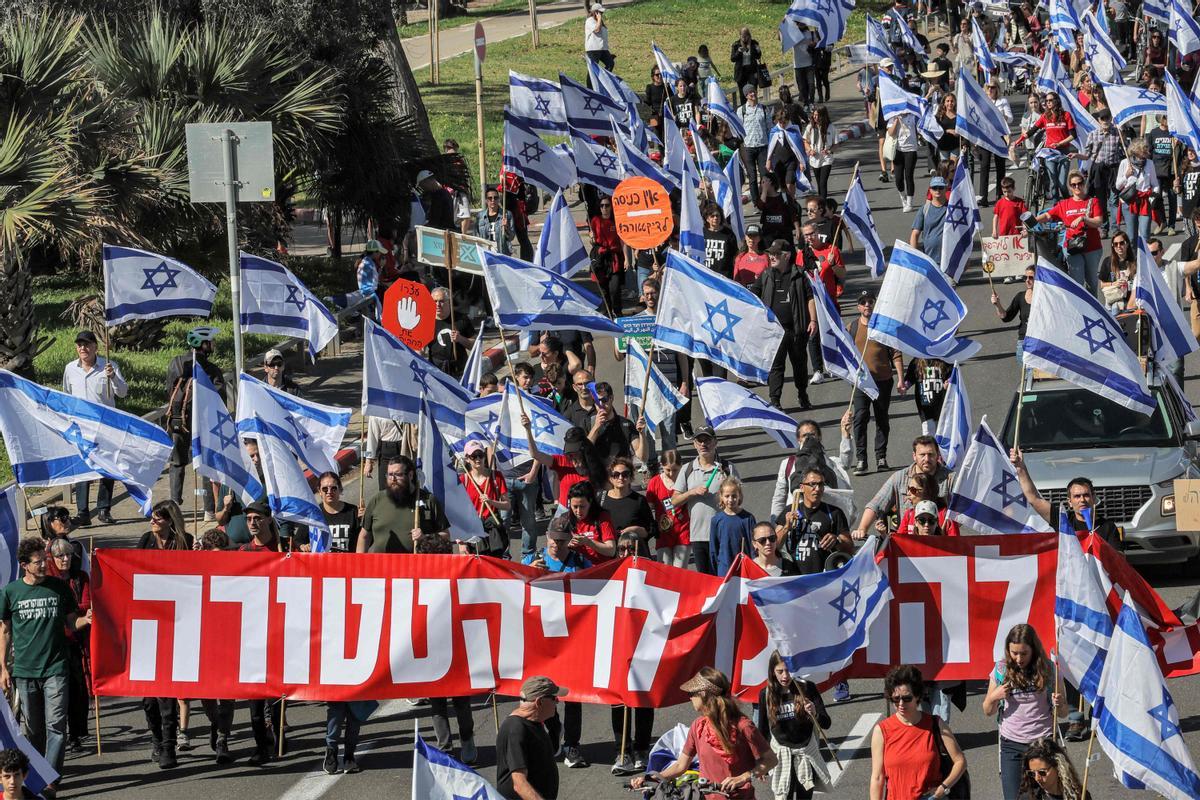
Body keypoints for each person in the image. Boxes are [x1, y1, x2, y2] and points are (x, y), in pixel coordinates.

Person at [0, 538, 90, 790]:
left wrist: (87, 619)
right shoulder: (10, 592)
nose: (43, 565)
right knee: (34, 731)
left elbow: (72, 624)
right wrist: (3, 668)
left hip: (56, 669)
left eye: (44, 560)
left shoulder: (60, 588)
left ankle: (49, 781)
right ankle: (34, 774)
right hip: (25, 672)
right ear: (24, 565)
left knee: (57, 727)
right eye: (38, 562)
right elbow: (5, 631)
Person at [631, 667, 777, 798]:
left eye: (692, 693)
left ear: (704, 694)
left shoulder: (743, 726)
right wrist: (651, 778)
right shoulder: (698, 726)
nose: (690, 697)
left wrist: (744, 777)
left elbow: (771, 759)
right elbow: (681, 766)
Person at [982, 625, 1065, 800]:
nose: (1018, 658)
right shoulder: (1001, 670)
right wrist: (994, 697)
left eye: (1024, 653)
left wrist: (1061, 703)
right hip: (1011, 745)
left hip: (1042, 743)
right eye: (1014, 653)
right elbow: (988, 710)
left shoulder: (1048, 669)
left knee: (1049, 796)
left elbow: (1063, 712)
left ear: (1033, 649)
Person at [869, 664, 967, 800]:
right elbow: (877, 777)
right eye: (896, 699)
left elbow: (960, 761)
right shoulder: (882, 731)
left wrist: (943, 788)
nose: (901, 704)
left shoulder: (935, 724)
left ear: (917, 696)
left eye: (907, 698)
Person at [63, 330, 127, 526]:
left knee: (106, 469)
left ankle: (103, 509)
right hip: (81, 428)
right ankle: (83, 512)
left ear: (95, 347)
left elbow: (123, 393)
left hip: (105, 428)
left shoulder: (109, 366)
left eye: (87, 344)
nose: (83, 348)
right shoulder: (70, 369)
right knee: (83, 470)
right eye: (80, 345)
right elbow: (66, 395)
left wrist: (113, 377)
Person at [756, 651, 832, 799]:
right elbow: (763, 730)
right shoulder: (766, 694)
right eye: (780, 671)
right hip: (781, 756)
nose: (785, 676)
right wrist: (762, 761)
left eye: (789, 671)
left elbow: (826, 723)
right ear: (772, 672)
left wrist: (815, 713)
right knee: (784, 796)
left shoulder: (807, 688)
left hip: (806, 754)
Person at [165, 326, 223, 519]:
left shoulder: (176, 363)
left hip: (177, 421)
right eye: (210, 342)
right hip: (203, 424)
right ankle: (208, 509)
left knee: (177, 462)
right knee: (204, 463)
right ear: (202, 344)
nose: (213, 345)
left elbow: (169, 388)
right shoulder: (212, 369)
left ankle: (175, 504)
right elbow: (219, 398)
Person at [848, 292, 907, 475]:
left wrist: (901, 379)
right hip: (861, 383)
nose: (867, 305)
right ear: (858, 307)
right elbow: (845, 353)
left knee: (882, 418)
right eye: (863, 302)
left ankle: (881, 457)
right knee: (860, 418)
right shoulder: (852, 327)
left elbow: (896, 353)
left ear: (874, 305)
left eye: (870, 302)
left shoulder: (883, 327)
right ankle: (861, 460)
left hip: (882, 380)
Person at [753, 240, 816, 411]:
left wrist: (813, 320)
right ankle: (775, 401)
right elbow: (752, 296)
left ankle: (802, 395)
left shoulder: (799, 274)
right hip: (774, 331)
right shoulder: (766, 275)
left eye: (776, 254)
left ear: (786, 256)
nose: (771, 256)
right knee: (776, 366)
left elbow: (810, 297)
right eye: (770, 253)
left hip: (796, 329)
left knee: (800, 364)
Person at [853, 436, 951, 539]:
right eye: (922, 455)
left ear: (938, 455)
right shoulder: (899, 478)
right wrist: (862, 529)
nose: (926, 459)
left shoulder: (950, 479)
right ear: (914, 456)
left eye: (930, 455)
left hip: (942, 544)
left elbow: (963, 514)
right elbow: (876, 505)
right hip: (906, 543)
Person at [673, 427, 739, 575]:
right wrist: (692, 492)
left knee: (725, 578)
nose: (703, 444)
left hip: (724, 534)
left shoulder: (727, 468)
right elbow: (674, 500)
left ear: (715, 442)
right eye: (699, 441)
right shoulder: (687, 469)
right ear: (694, 444)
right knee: (706, 580)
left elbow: (739, 500)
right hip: (698, 535)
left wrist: (726, 495)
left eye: (707, 440)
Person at [45, 538, 89, 755]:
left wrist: (67, 607)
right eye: (60, 556)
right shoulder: (48, 581)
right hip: (54, 643)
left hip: (76, 640)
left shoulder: (80, 577)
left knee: (78, 689)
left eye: (69, 555)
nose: (65, 559)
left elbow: (86, 604)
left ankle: (76, 734)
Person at [356, 456, 451, 553]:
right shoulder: (377, 500)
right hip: (382, 565)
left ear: (410, 475)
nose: (393, 479)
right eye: (389, 475)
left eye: (398, 475)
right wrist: (359, 563)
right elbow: (364, 536)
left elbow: (446, 535)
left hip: (416, 565)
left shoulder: (428, 500)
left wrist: (425, 538)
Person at [775, 467, 853, 576]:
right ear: (802, 487)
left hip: (824, 575)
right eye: (812, 484)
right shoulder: (790, 510)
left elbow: (850, 549)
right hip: (795, 575)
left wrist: (837, 541)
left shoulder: (834, 513)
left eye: (821, 484)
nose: (817, 489)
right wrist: (786, 527)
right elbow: (774, 546)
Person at [496, 676, 564, 800]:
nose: (557, 701)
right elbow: (519, 784)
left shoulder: (534, 721)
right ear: (539, 702)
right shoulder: (515, 730)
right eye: (554, 698)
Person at [1037, 171, 1103, 296]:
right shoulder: (1064, 204)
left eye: (1080, 183)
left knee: (1092, 283)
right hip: (1072, 247)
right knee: (1077, 282)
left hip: (1092, 247)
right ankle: (1079, 312)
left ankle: (1093, 312)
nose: (1077, 187)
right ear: (1070, 187)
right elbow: (1047, 215)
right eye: (1074, 185)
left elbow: (1099, 221)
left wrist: (1084, 218)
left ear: (1084, 184)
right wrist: (1031, 221)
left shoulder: (1092, 201)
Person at [1010, 94, 1076, 200]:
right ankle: (1056, 208)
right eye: (1046, 100)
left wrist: (1060, 143)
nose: (1048, 102)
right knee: (1054, 183)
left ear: (1057, 101)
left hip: (1063, 153)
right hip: (1049, 153)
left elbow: (1073, 135)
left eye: (1050, 100)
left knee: (1062, 184)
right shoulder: (1045, 116)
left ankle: (1068, 203)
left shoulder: (1066, 115)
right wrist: (1018, 141)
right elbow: (1031, 131)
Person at [460, 440, 511, 555]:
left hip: (493, 531)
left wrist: (491, 501)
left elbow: (507, 505)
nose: (478, 459)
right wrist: (461, 542)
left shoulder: (496, 477)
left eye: (481, 455)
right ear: (467, 459)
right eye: (473, 456)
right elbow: (458, 513)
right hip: (472, 531)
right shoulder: (464, 480)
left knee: (495, 568)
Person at [1080, 108, 1124, 236]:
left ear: (1111, 119)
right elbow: (1087, 155)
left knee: (1113, 200)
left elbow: (1125, 151)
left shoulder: (1117, 133)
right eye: (1102, 119)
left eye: (1107, 118)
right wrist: (1077, 155)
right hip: (1099, 170)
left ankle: (1115, 228)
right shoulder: (1093, 134)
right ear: (1099, 120)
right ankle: (1104, 227)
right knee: (1101, 201)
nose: (1105, 121)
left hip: (1113, 169)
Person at [646, 450, 690, 567]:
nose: (671, 473)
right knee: (665, 568)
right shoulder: (654, 482)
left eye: (675, 470)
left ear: (681, 466)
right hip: (663, 531)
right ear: (662, 466)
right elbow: (648, 507)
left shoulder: (687, 480)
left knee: (679, 569)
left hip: (683, 529)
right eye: (667, 470)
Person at [1114, 136, 1159, 250]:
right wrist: (1126, 176)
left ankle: (1145, 262)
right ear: (1135, 151)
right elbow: (1118, 186)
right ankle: (1133, 262)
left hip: (1145, 201)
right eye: (1143, 150)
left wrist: (1152, 197)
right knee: (1131, 237)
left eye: (1146, 150)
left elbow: (1155, 184)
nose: (1146, 152)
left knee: (1145, 235)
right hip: (1129, 202)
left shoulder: (1149, 163)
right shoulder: (1125, 163)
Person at [600, 456, 654, 545]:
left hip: (633, 552)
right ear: (610, 478)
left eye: (625, 474)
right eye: (616, 474)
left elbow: (651, 530)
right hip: (608, 553)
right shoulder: (601, 499)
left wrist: (636, 530)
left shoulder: (639, 500)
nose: (620, 477)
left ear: (631, 477)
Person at [562, 481, 618, 566]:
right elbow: (554, 548)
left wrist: (588, 542)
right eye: (575, 506)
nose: (578, 511)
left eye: (582, 506)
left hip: (601, 569)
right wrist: (566, 546)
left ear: (590, 502)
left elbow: (611, 550)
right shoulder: (565, 518)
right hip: (577, 570)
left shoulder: (602, 517)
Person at [426, 287, 477, 378]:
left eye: (441, 301)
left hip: (459, 370)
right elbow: (418, 349)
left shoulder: (461, 319)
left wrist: (461, 339)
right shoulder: (426, 321)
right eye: (434, 301)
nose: (438, 305)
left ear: (449, 301)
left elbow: (475, 346)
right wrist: (420, 351)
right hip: (436, 371)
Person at [709, 478, 755, 576]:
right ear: (721, 496)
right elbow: (714, 549)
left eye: (734, 496)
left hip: (743, 568)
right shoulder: (716, 520)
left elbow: (753, 546)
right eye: (727, 496)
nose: (730, 499)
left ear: (739, 496)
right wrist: (716, 570)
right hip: (724, 570)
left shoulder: (748, 518)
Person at [1019, 738, 1091, 800]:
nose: (1037, 778)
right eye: (1032, 773)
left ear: (1057, 767)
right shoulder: (1030, 797)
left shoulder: (1080, 795)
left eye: (1042, 772)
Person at [992, 265, 1036, 362]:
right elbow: (1006, 317)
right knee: (1026, 376)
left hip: (1040, 343)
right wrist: (997, 304)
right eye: (1025, 277)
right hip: (1023, 341)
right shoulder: (1020, 296)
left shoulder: (1045, 298)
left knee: (1033, 376)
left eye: (1031, 278)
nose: (1027, 280)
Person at [888, 82, 921, 212]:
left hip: (911, 149)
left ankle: (909, 202)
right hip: (898, 150)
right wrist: (896, 120)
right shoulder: (893, 116)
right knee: (898, 178)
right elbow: (890, 133)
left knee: (909, 175)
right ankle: (902, 197)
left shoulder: (913, 116)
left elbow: (920, 127)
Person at [978, 82, 1012, 206]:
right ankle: (983, 196)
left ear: (997, 88)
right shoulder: (982, 101)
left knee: (1000, 166)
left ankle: (1000, 194)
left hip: (999, 136)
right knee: (984, 165)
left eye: (993, 87)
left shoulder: (1002, 101)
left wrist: (1001, 116)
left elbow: (1010, 117)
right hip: (986, 136)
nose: (991, 89)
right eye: (988, 87)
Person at [590, 195, 624, 316]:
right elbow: (592, 239)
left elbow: (622, 241)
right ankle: (608, 313)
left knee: (614, 289)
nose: (604, 208)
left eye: (607, 205)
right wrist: (591, 238)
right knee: (603, 290)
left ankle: (618, 312)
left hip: (614, 259)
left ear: (611, 207)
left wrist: (627, 259)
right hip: (601, 259)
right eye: (602, 206)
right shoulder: (595, 220)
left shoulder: (617, 221)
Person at [737, 87, 771, 203]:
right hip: (748, 147)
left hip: (763, 146)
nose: (753, 94)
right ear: (746, 95)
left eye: (754, 91)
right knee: (752, 176)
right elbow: (738, 130)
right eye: (750, 92)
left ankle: (764, 199)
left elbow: (769, 128)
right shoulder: (741, 111)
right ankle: (756, 202)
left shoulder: (764, 109)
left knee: (764, 175)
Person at [904, 357, 951, 437]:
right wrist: (904, 386)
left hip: (942, 404)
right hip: (925, 406)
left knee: (943, 433)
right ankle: (930, 449)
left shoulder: (945, 359)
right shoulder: (916, 361)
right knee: (928, 433)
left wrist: (949, 382)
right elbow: (910, 378)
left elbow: (953, 375)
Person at [318, 472, 359, 553]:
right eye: (325, 489)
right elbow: (299, 540)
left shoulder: (353, 511)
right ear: (319, 491)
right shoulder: (314, 513)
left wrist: (364, 520)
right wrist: (304, 546)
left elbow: (366, 540)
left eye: (333, 488)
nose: (329, 492)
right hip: (322, 564)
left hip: (348, 563)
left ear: (340, 489)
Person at [910, 176, 949, 258]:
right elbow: (914, 234)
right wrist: (914, 257)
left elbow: (962, 232)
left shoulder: (952, 209)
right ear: (930, 190)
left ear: (946, 188)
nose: (937, 190)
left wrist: (966, 257)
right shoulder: (924, 209)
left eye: (941, 187)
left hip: (949, 259)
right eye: (934, 188)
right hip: (929, 259)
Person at [803, 106, 837, 199]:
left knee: (823, 183)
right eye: (814, 115)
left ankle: (823, 205)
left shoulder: (831, 127)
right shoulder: (810, 127)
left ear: (823, 116)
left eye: (818, 115)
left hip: (826, 159)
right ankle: (821, 204)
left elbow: (836, 144)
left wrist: (829, 150)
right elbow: (805, 141)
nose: (815, 117)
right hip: (814, 159)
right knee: (818, 183)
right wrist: (810, 150)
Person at [1099, 230, 1136, 313]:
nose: (1119, 246)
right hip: (1114, 299)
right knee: (1115, 308)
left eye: (1121, 243)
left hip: (1131, 300)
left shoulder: (1135, 262)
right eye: (1115, 244)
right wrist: (1114, 283)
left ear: (1127, 244)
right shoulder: (1108, 262)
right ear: (1113, 246)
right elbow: (1102, 285)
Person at [703, 204, 739, 279]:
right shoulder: (701, 233)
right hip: (706, 275)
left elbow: (735, 254)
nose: (715, 218)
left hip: (724, 276)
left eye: (717, 215)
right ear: (707, 218)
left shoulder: (729, 234)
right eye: (712, 216)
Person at [475, 188, 515, 255]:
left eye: (495, 198)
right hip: (486, 253)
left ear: (499, 199)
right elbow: (476, 237)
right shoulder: (480, 217)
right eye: (490, 198)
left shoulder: (507, 214)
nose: (493, 200)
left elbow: (511, 237)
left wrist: (506, 228)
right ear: (486, 200)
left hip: (502, 253)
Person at [731, 28, 763, 105]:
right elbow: (732, 59)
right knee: (742, 94)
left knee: (753, 91)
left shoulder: (754, 43)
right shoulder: (736, 44)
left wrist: (758, 51)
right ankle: (744, 110)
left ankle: (754, 107)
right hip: (741, 72)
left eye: (746, 36)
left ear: (749, 35)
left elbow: (758, 56)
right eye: (742, 36)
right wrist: (738, 51)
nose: (744, 38)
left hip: (752, 71)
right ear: (740, 36)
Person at [583, 2, 612, 70]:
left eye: (602, 12)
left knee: (610, 64)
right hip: (593, 49)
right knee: (594, 69)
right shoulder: (590, 21)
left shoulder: (599, 21)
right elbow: (596, 30)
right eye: (600, 12)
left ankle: (604, 79)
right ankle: (591, 81)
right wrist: (599, 19)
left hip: (603, 49)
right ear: (595, 12)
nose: (602, 14)